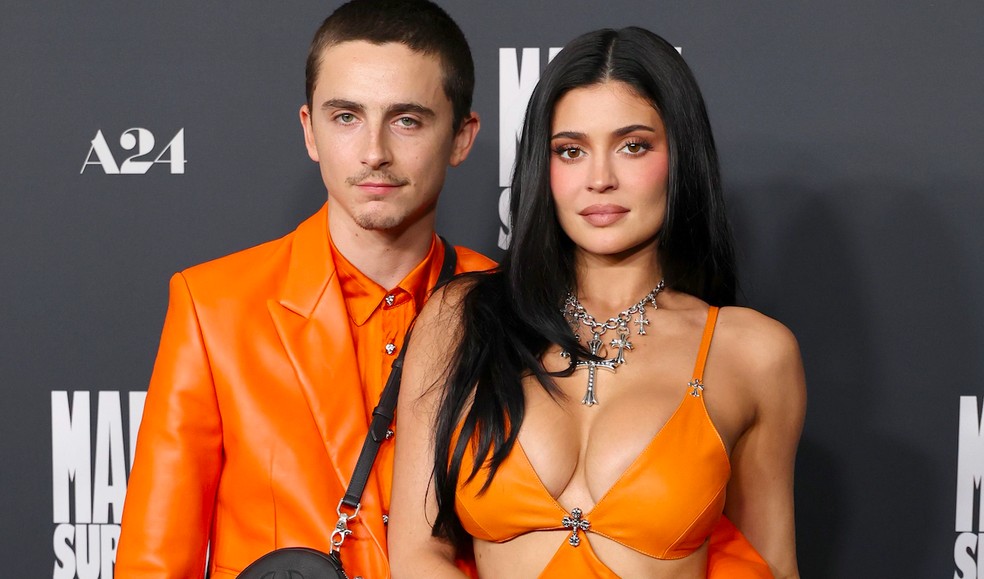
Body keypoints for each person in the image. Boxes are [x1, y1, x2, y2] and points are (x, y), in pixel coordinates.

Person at [388, 27, 806, 579]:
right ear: (545, 166)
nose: (600, 179)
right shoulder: (461, 319)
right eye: (572, 150)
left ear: (680, 156)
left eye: (633, 146)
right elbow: (418, 552)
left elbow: (769, 566)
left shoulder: (754, 353)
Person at [115, 1, 493, 577]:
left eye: (407, 120)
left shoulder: (512, 306)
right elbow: (154, 563)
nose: (374, 152)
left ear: (462, 137)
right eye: (346, 117)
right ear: (309, 130)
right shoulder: (213, 307)